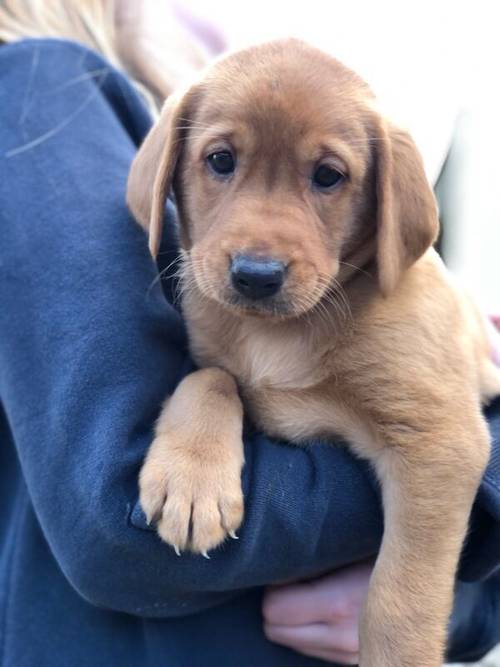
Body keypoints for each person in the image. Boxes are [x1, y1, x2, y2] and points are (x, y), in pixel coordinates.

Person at [0, 2, 499, 665]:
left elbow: (443, 446)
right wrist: (205, 398)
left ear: (386, 205)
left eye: (327, 176)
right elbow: (115, 520)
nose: (260, 248)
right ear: (168, 180)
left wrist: (455, 605)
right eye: (221, 161)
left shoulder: (387, 308)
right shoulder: (45, 94)